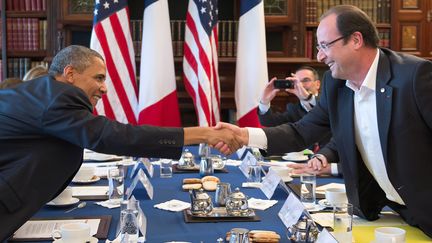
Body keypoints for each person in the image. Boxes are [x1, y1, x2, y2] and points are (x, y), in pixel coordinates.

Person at [217, 5, 432, 237]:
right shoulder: (335, 84)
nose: (319, 56)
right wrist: (243, 136)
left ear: (356, 40)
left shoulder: (415, 76)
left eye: (325, 46)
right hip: (397, 211)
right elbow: (301, 132)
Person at [0, 45, 240, 241]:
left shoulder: (39, 92)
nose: (104, 88)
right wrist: (204, 135)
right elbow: (112, 137)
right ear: (70, 73)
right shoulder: (59, 96)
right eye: (99, 78)